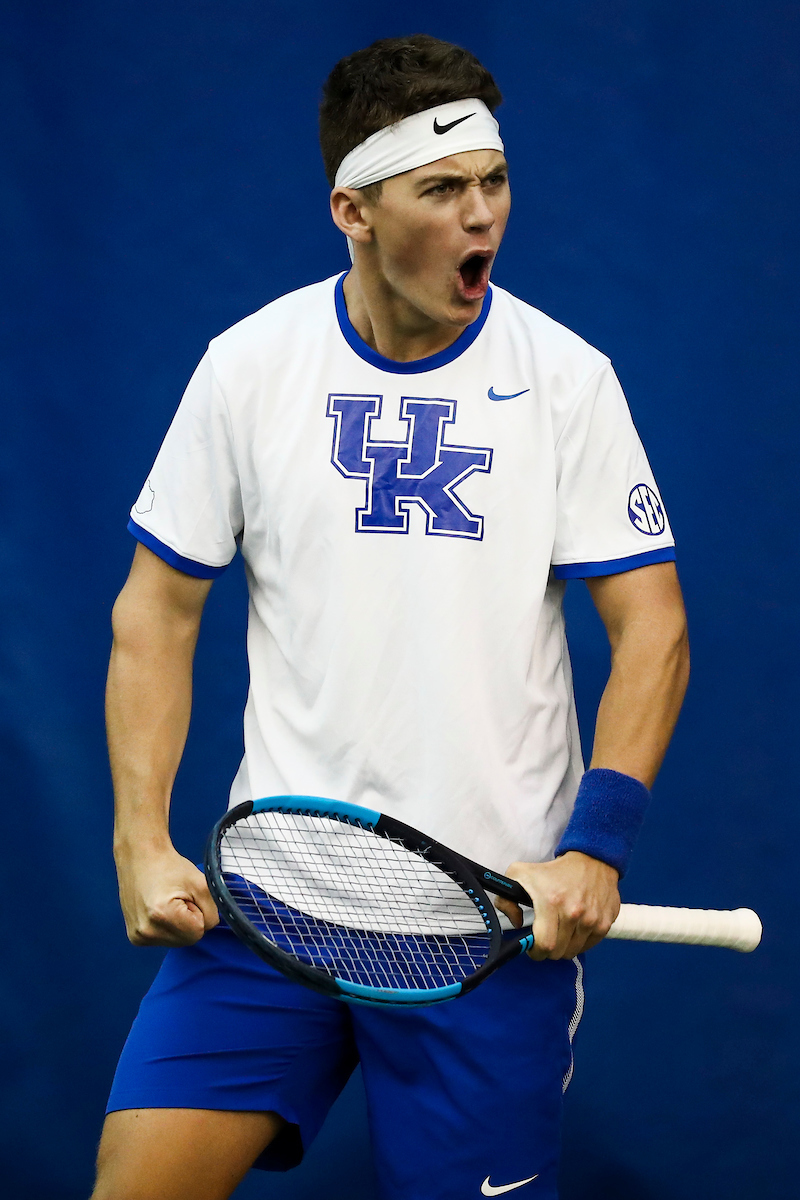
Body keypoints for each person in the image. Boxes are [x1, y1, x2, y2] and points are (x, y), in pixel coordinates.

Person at [94, 33, 689, 1200]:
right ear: (352, 210)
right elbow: (155, 613)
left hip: (483, 932)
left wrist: (593, 847)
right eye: (442, 189)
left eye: (494, 181)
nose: (483, 216)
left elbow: (653, 629)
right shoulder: (248, 367)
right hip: (276, 906)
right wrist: (137, 834)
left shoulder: (567, 380)